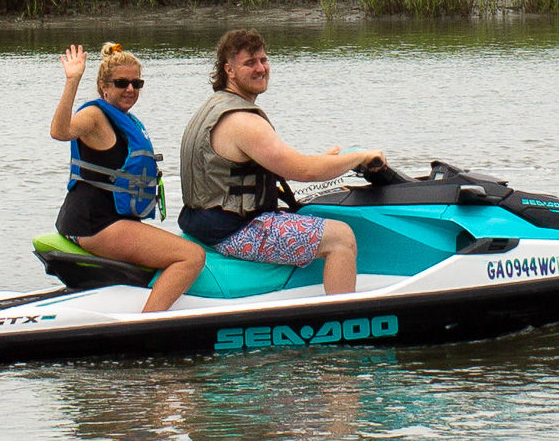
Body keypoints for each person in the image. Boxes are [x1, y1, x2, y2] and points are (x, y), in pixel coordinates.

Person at [177, 29, 386, 295]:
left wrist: (325, 160)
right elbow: (305, 172)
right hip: (235, 230)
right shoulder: (243, 121)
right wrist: (360, 157)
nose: (261, 68)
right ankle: (342, 321)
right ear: (229, 70)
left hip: (208, 224)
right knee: (341, 237)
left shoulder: (213, 107)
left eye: (263, 60)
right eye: (250, 63)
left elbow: (275, 162)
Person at [50, 43, 206, 313]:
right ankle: (148, 323)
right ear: (104, 86)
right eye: (122, 83)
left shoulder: (126, 120)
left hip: (105, 220)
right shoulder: (95, 116)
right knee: (191, 256)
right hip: (96, 224)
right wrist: (72, 81)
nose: (131, 89)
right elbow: (60, 131)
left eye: (137, 83)